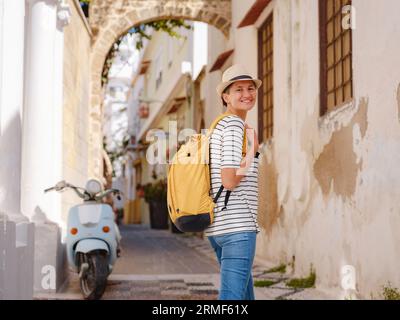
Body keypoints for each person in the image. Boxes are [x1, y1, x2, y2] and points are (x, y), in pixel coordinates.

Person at [205, 64, 262, 300]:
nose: (247, 94)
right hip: (237, 227)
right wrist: (254, 151)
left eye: (250, 88)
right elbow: (229, 180)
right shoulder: (233, 125)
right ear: (225, 96)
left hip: (219, 226)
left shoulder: (218, 126)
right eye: (238, 89)